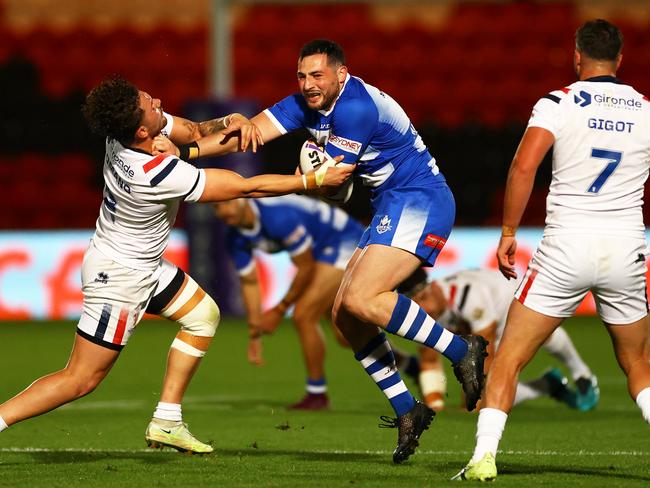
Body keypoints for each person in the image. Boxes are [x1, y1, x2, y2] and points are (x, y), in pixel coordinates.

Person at [154, 39, 488, 464]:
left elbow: (332, 185)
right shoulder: (305, 105)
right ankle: (409, 409)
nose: (308, 84)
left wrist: (310, 176)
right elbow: (248, 134)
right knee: (344, 316)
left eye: (317, 75)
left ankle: (462, 350)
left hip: (419, 198)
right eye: (302, 75)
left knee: (362, 298)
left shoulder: (355, 108)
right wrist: (185, 153)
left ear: (341, 74)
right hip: (389, 204)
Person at [0, 76, 353, 454]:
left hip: (145, 265)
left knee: (203, 314)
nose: (157, 100)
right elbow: (243, 187)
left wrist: (229, 120)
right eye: (150, 104)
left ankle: (167, 421)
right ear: (140, 130)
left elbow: (196, 129)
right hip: (120, 277)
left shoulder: (121, 135)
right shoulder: (154, 173)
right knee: (80, 379)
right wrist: (311, 180)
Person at [454, 20, 650, 481]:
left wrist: (507, 232)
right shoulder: (645, 109)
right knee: (638, 364)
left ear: (576, 56)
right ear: (620, 60)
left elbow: (525, 166)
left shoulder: (559, 102)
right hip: (625, 247)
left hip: (566, 246)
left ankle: (483, 458)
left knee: (508, 358)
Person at [214, 196, 421, 410]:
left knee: (303, 315)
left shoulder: (276, 217)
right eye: (216, 206)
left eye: (226, 203)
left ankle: (317, 394)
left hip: (344, 239)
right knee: (346, 334)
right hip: (322, 250)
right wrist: (254, 332)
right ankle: (411, 365)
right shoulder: (234, 236)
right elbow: (249, 283)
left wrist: (280, 309)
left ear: (243, 200)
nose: (222, 210)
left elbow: (305, 266)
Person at [397, 268, 599, 412]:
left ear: (432, 287)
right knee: (491, 399)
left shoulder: (468, 296)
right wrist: (435, 405)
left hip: (510, 301)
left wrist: (471, 400)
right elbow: (429, 358)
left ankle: (581, 372)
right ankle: (546, 385)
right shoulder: (426, 311)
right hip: (487, 317)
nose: (424, 308)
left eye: (423, 299)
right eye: (416, 303)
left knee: (540, 340)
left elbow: (485, 354)